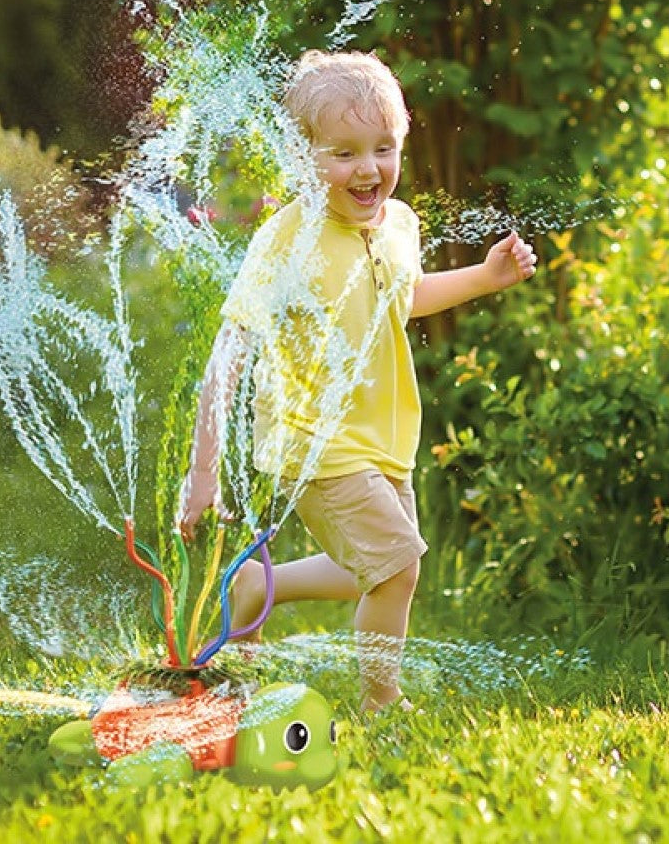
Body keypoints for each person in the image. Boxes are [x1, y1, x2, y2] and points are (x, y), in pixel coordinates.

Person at [179, 50, 537, 712]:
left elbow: (404, 296)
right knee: (397, 566)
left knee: (369, 568)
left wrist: (487, 278)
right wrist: (203, 472)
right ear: (302, 158)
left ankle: (258, 586)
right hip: (315, 441)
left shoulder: (399, 224)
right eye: (343, 154)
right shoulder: (287, 240)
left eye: (383, 148)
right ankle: (381, 703)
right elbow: (231, 351)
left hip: (384, 437)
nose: (368, 169)